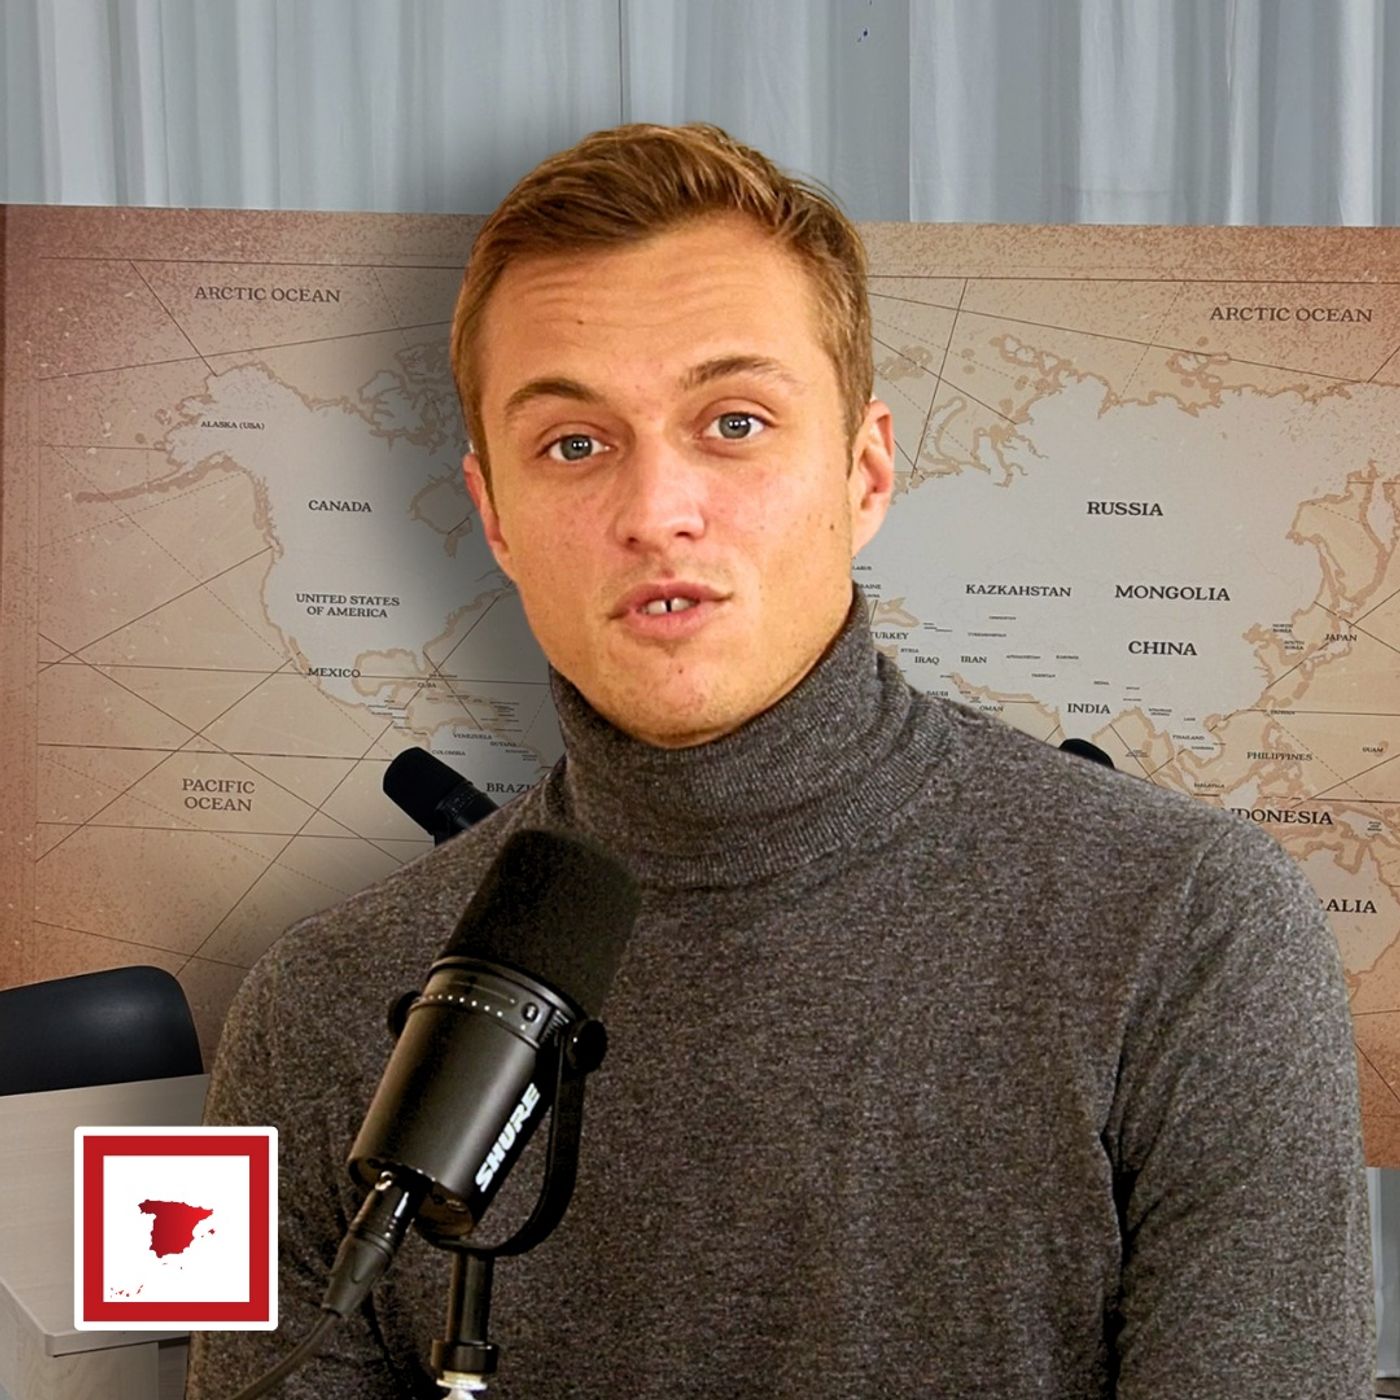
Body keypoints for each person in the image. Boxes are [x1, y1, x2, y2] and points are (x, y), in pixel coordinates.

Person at [186, 122, 1375, 1399]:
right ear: (494, 518)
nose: (656, 511)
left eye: (734, 421)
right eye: (573, 444)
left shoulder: (1188, 930)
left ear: (864, 472)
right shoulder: (313, 1012)